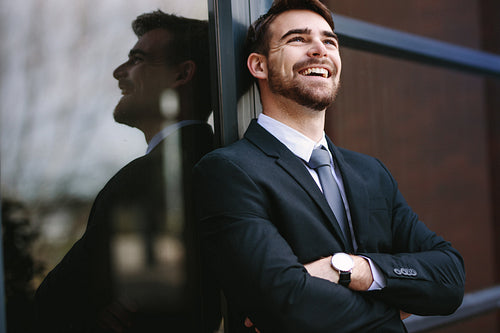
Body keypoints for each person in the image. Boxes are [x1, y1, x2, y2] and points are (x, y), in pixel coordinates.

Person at [193, 0, 465, 332]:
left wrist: (349, 268)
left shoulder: (372, 173)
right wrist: (391, 305)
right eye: (297, 39)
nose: (319, 50)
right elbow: (286, 304)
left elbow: (450, 278)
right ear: (259, 65)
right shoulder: (229, 171)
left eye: (330, 41)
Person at [35, 11, 219, 332]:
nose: (119, 72)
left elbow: (55, 303)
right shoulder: (212, 165)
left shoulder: (150, 178)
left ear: (182, 74)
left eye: (137, 59)